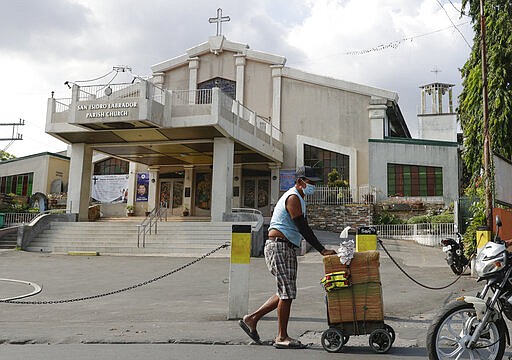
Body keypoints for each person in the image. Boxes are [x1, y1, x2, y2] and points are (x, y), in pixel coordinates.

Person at [238, 166, 337, 349]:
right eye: (311, 183)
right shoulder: (293, 198)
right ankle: (281, 337)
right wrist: (322, 250)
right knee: (287, 292)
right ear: (300, 182)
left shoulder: (299, 198)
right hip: (279, 246)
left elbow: (303, 227)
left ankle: (251, 319)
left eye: (315, 183)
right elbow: (303, 228)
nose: (313, 186)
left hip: (285, 247)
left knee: (285, 291)